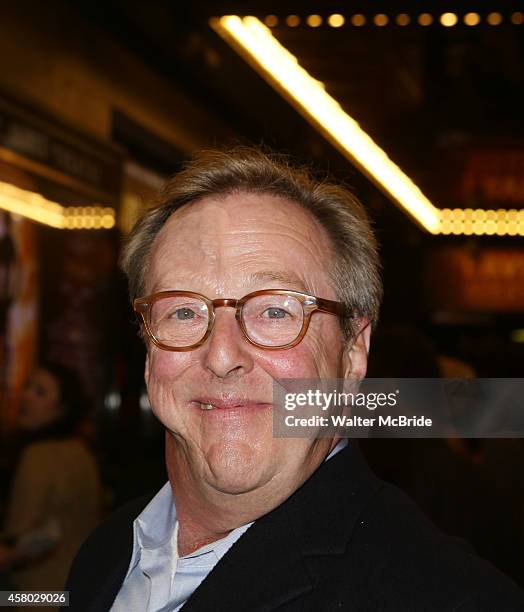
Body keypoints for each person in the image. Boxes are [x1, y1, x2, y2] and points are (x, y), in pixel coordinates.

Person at [65, 146, 524, 611]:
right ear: (148, 352)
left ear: (353, 352)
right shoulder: (105, 554)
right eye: (183, 311)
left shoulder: (450, 598)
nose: (222, 356)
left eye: (275, 311)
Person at [0, 363, 101, 604]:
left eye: (40, 392)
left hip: (33, 595)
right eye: (28, 387)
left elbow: (19, 533)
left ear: (61, 408)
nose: (26, 396)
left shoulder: (38, 456)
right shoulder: (82, 453)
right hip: (74, 590)